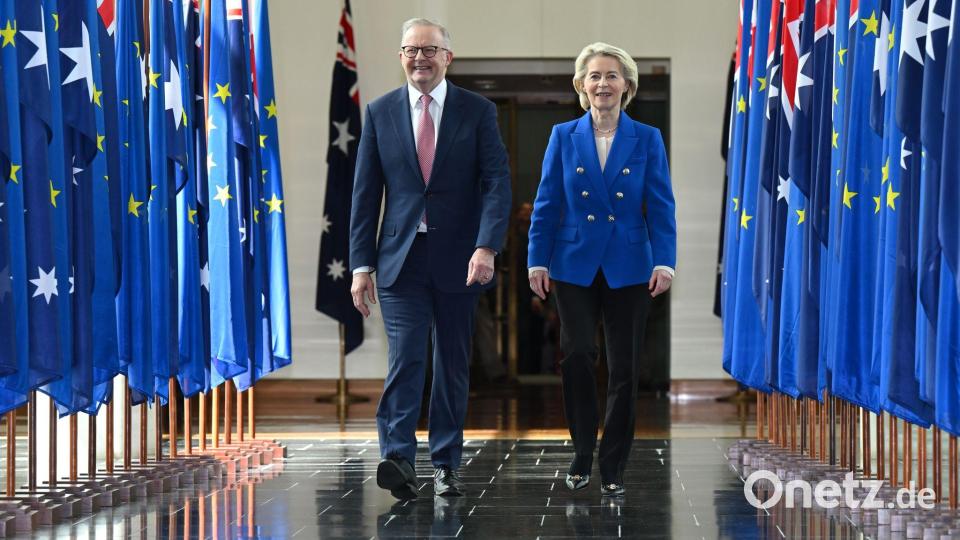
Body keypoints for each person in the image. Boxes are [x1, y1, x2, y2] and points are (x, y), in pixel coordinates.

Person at [349, 18, 511, 500]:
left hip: (462, 260)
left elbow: (497, 183)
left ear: (448, 57)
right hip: (400, 260)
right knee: (406, 359)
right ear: (400, 56)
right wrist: (361, 266)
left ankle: (445, 464)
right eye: (411, 49)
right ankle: (397, 459)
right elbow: (364, 195)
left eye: (430, 50)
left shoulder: (477, 111)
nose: (420, 57)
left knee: (452, 365)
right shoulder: (379, 113)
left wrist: (487, 246)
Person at [527, 42, 677, 497]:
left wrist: (665, 259)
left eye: (612, 76)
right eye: (594, 76)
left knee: (625, 367)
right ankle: (581, 452)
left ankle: (613, 462)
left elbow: (661, 204)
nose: (603, 84)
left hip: (630, 265)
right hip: (573, 264)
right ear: (581, 85)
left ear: (627, 86)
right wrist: (537, 257)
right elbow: (548, 201)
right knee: (576, 357)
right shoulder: (562, 135)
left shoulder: (646, 137)